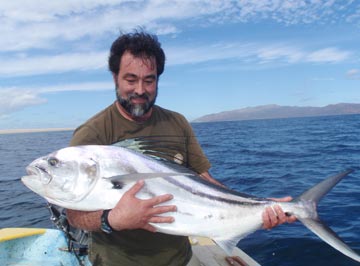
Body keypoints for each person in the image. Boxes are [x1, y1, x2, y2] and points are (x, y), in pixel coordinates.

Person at [66, 30, 295, 266]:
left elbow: (204, 181)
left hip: (179, 259)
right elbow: (73, 215)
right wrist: (111, 219)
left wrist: (262, 206)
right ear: (115, 77)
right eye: (131, 79)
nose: (140, 90)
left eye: (149, 79)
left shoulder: (177, 123)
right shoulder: (92, 134)